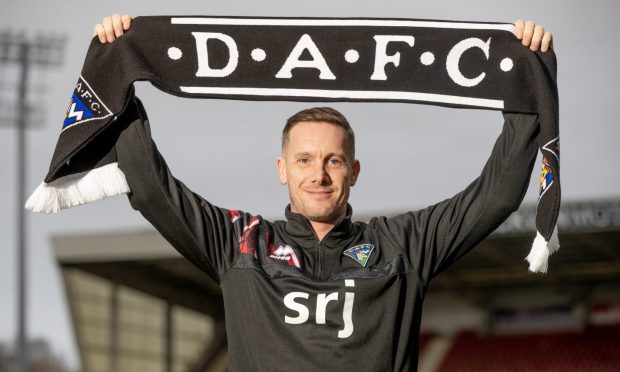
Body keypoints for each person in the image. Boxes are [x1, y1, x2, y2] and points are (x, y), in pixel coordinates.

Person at [95, 15, 553, 371]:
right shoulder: (238, 241)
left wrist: (522, 89)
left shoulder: (402, 245)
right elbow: (154, 191)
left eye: (333, 161)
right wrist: (119, 77)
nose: (319, 174)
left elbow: (496, 196)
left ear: (353, 170)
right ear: (282, 170)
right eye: (304, 160)